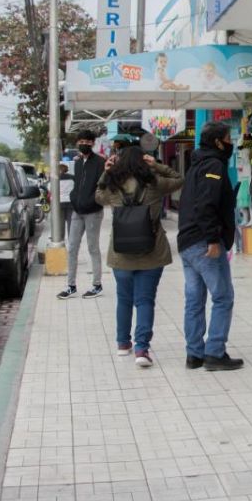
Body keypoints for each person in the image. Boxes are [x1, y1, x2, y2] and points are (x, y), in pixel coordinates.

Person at [95, 146, 184, 368]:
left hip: (120, 253)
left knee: (124, 298)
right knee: (145, 300)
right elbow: (179, 178)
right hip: (152, 251)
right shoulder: (154, 182)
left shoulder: (113, 185)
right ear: (144, 162)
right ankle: (141, 348)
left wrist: (107, 171)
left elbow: (98, 196)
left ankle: (123, 344)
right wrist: (157, 165)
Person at [178, 121, 243, 371]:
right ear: (217, 142)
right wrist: (214, 239)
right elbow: (206, 204)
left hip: (187, 241)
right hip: (203, 243)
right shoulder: (213, 165)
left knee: (194, 299)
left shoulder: (197, 164)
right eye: (228, 138)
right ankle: (215, 352)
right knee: (223, 296)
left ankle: (194, 354)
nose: (230, 142)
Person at [58, 131, 105, 300]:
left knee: (93, 248)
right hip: (77, 211)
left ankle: (97, 285)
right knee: (72, 248)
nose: (83, 144)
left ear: (92, 143)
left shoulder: (101, 162)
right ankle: (71, 286)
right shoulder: (77, 163)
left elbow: (103, 187)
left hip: (93, 211)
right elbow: (77, 185)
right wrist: (74, 199)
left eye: (86, 141)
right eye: (81, 141)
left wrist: (93, 201)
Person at [57, 163, 74, 237]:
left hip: (59, 203)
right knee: (71, 223)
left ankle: (61, 240)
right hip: (70, 203)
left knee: (60, 224)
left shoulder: (55, 179)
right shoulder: (72, 177)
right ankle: (71, 240)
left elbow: (50, 189)